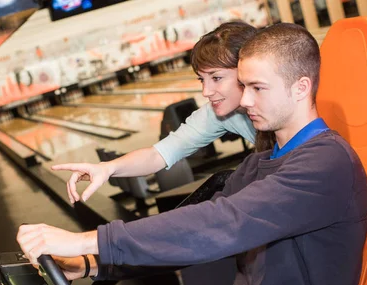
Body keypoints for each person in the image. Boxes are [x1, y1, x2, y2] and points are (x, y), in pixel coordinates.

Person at [17, 23, 367, 285]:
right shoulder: (260, 165)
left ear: (301, 87)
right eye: (245, 86)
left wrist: (89, 239)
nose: (245, 101)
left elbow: (222, 224)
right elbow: (191, 230)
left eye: (256, 88)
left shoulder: (326, 163)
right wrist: (91, 263)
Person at [52, 21, 275, 204]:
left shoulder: (293, 104)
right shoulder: (218, 114)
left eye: (216, 78)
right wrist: (107, 168)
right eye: (202, 79)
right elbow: (159, 154)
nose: (206, 91)